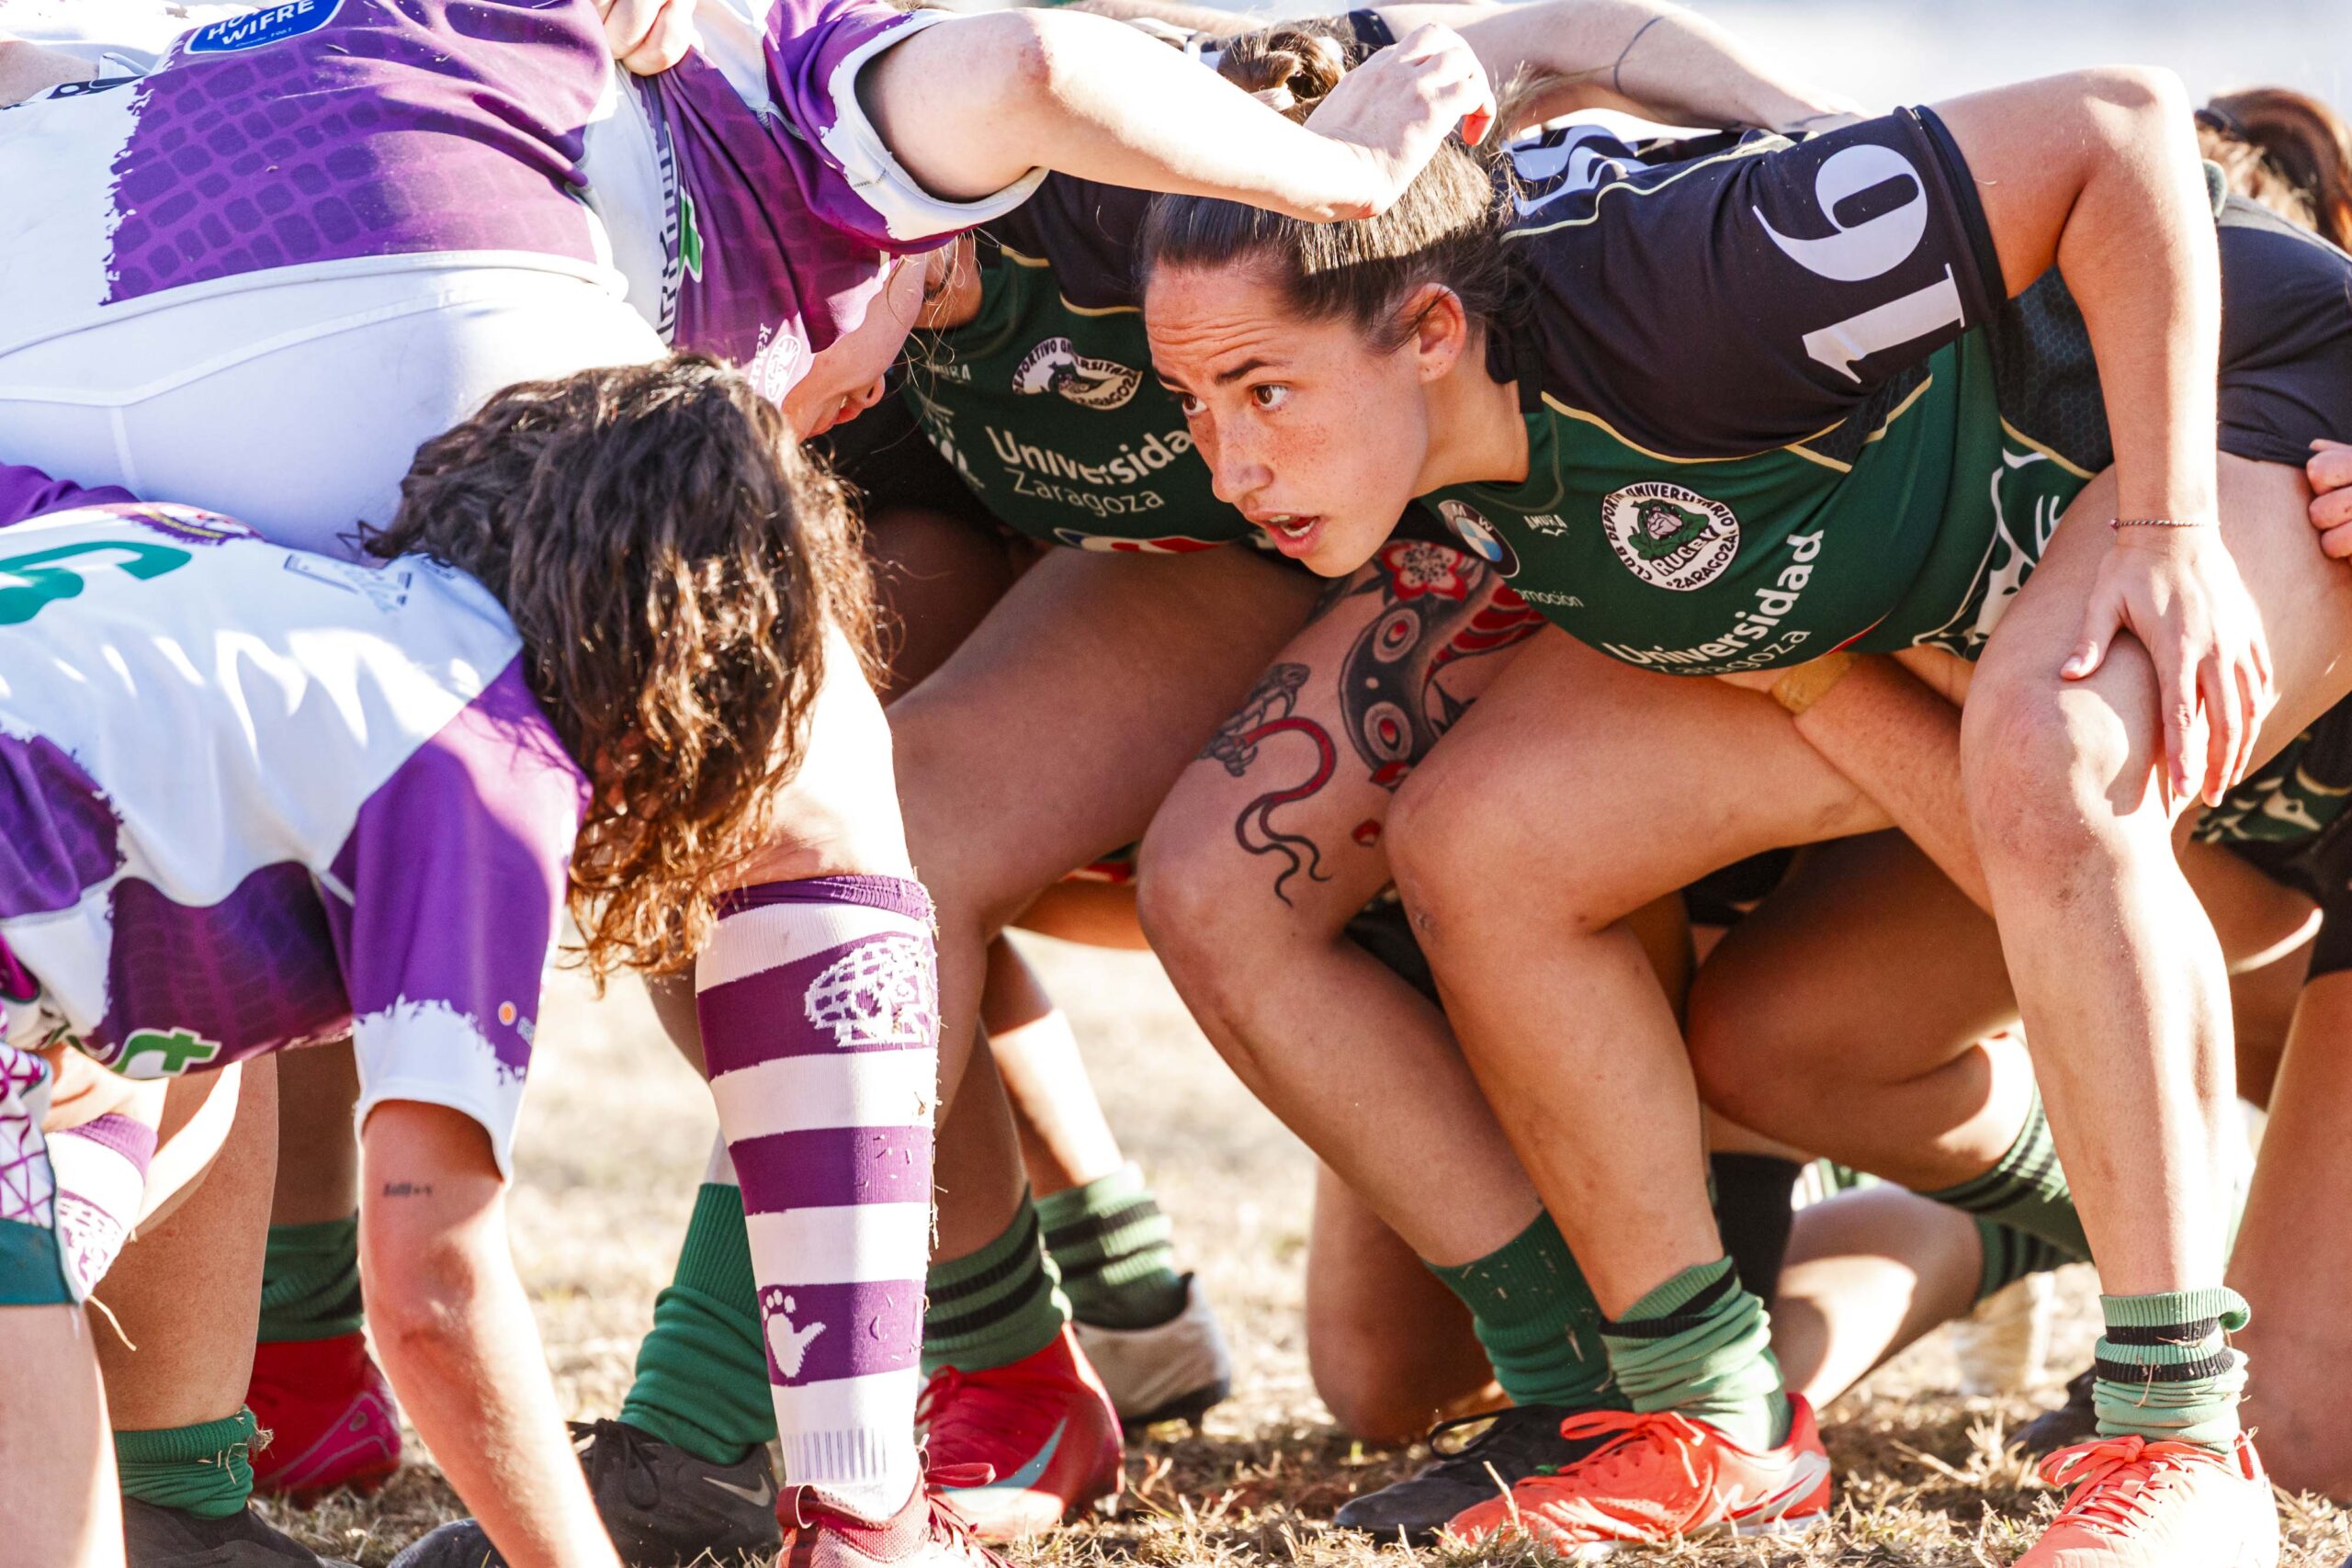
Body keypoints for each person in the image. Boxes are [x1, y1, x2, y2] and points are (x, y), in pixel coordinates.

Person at [1136, 57, 2352, 1562]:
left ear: (1434, 330)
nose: (1229, 461)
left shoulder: (1683, 284)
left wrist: (2169, 522)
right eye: (1195, 404)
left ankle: (2179, 1434)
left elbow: (2119, 123)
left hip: (2267, 418)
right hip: (2058, 707)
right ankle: (1704, 1418)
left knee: (2052, 757)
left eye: (1264, 393)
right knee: (1483, 842)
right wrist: (1799, 673)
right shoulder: (1404, 448)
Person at [0, 353, 1036, 1568]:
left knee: (158, 1086)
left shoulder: (232, 568)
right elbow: (435, 1290)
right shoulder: (479, 766)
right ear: (699, 700)